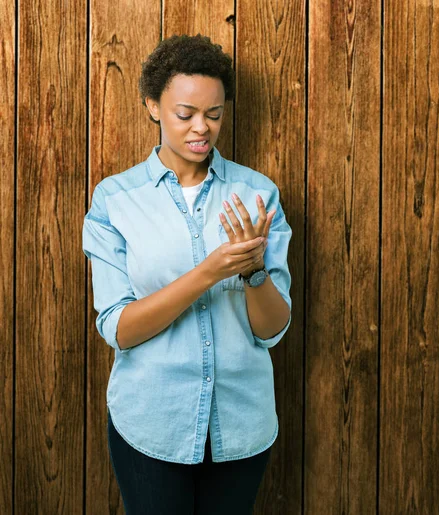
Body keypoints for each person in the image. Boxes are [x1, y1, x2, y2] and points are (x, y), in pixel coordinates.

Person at [81, 33, 292, 514]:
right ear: (153, 106)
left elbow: (273, 329)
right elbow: (119, 328)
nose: (202, 128)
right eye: (186, 114)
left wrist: (254, 272)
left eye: (214, 115)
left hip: (242, 424)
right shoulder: (115, 201)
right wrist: (210, 272)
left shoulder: (259, 195)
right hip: (152, 424)